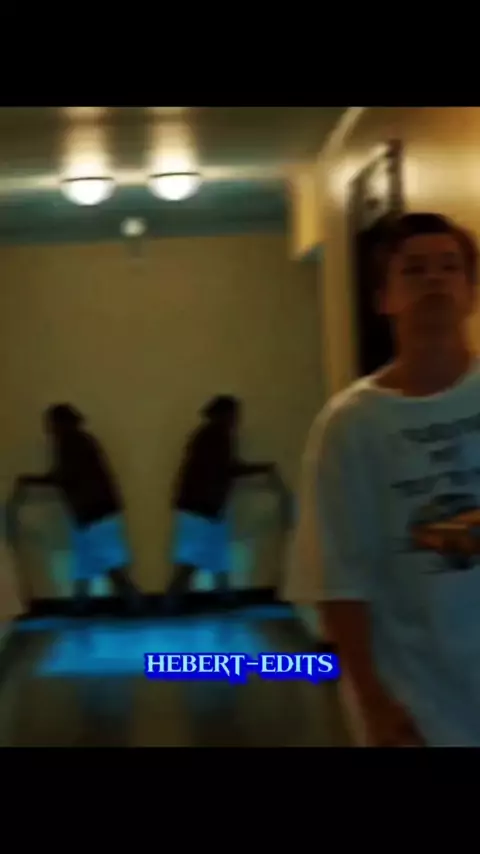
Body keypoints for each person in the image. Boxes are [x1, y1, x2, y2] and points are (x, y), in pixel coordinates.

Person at [297, 212, 480, 747]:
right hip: (418, 696)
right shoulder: (351, 425)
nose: (434, 279)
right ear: (384, 298)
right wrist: (373, 701)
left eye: (449, 267)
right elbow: (337, 578)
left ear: (471, 292)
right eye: (414, 269)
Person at [14, 404, 141, 615]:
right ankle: (95, 604)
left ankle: (124, 604)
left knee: (101, 563)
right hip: (98, 510)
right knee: (95, 562)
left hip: (92, 512)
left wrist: (30, 481)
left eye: (51, 423)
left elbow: (63, 476)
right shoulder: (81, 440)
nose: (48, 429)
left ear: (60, 423)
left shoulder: (70, 443)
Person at [166, 395, 275, 611]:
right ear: (226, 415)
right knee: (200, 557)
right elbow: (227, 468)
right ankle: (179, 600)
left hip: (198, 505)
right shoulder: (218, 436)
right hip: (204, 506)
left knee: (198, 556)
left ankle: (184, 600)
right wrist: (262, 469)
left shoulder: (206, 434)